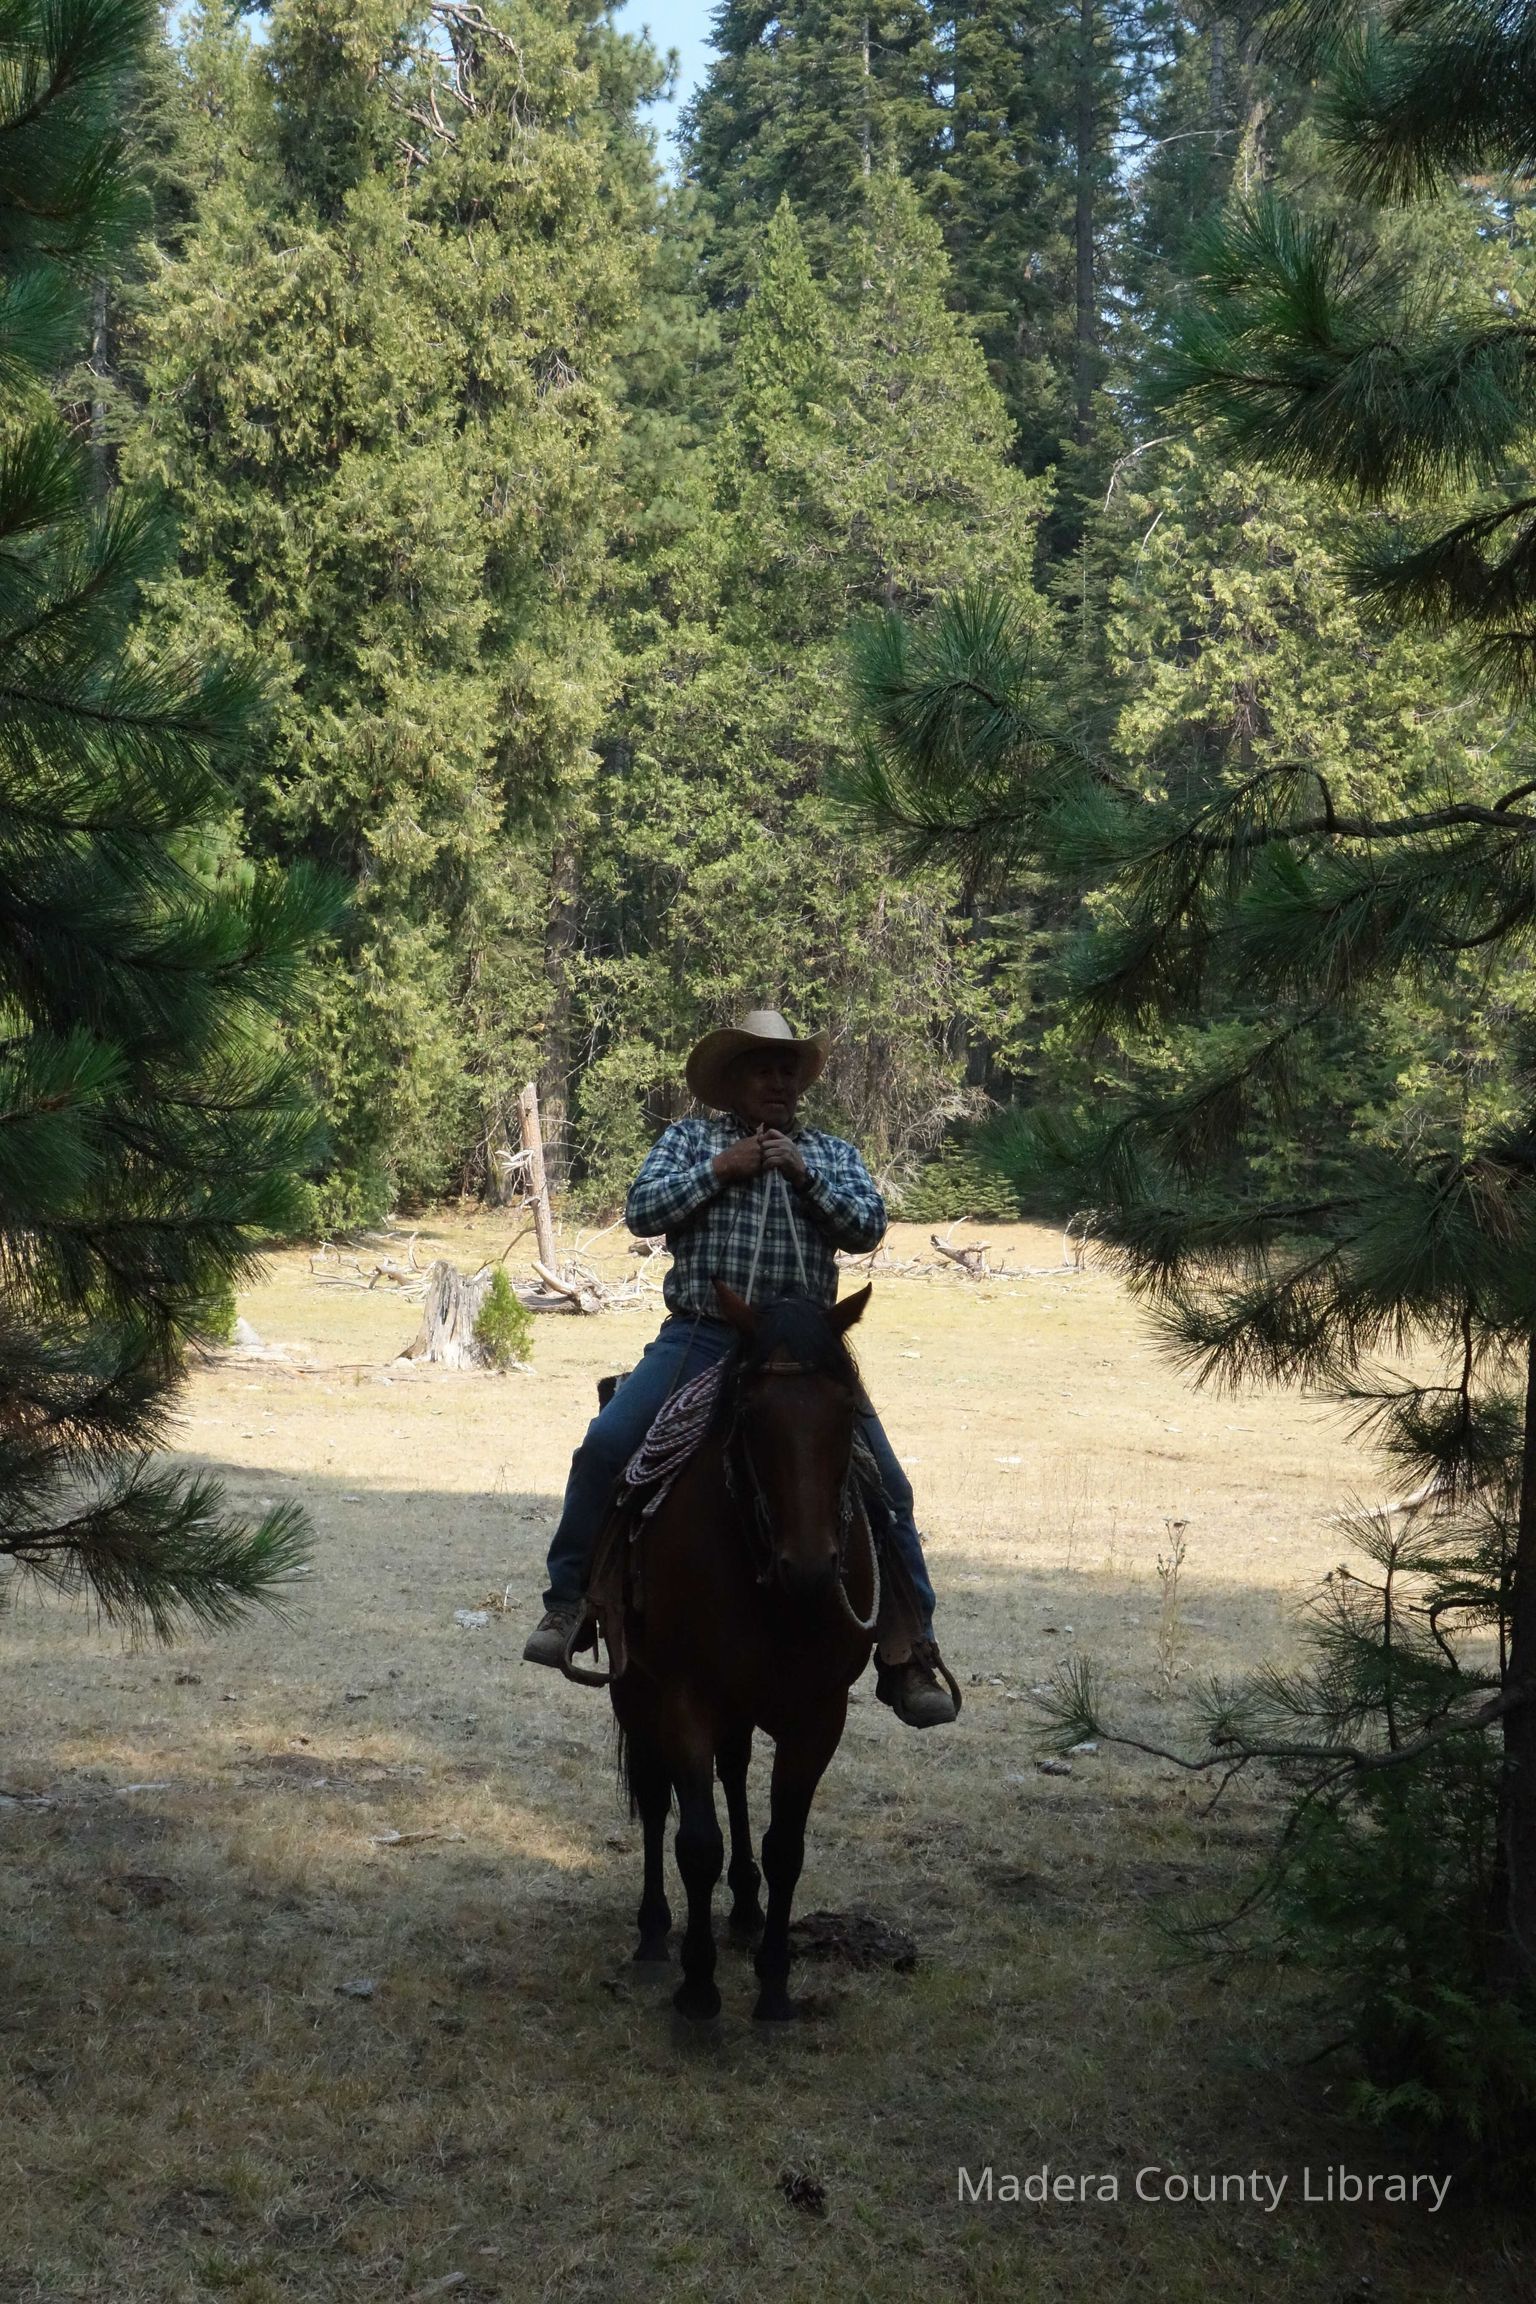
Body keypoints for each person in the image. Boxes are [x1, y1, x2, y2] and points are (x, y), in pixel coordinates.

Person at [521, 1009, 959, 1728]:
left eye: (788, 1070)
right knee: (607, 1445)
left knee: (888, 1485)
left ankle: (909, 1651)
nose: (779, 1083)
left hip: (804, 1352)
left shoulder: (830, 1154)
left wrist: (805, 1176)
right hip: (702, 1334)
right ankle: (570, 1604)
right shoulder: (689, 1141)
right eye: (764, 1070)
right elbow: (642, 1211)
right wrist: (721, 1169)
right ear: (733, 1083)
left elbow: (867, 1227)